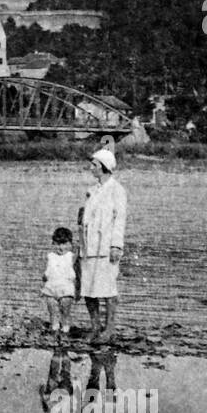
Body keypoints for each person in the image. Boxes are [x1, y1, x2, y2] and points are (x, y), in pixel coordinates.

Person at [77, 147, 127, 342]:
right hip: (88, 247)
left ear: (104, 167)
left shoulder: (117, 190)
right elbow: (85, 220)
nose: (91, 167)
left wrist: (116, 245)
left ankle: (110, 329)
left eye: (94, 165)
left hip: (106, 247)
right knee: (88, 289)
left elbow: (120, 219)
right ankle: (95, 327)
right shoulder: (93, 190)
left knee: (108, 290)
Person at [40, 226, 75, 341]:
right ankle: (54, 329)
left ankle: (65, 330)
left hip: (66, 290)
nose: (61, 247)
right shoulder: (51, 256)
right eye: (58, 244)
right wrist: (44, 277)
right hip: (51, 289)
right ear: (53, 243)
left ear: (70, 244)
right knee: (53, 310)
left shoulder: (71, 256)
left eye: (65, 244)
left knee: (65, 311)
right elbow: (48, 271)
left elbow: (77, 272)